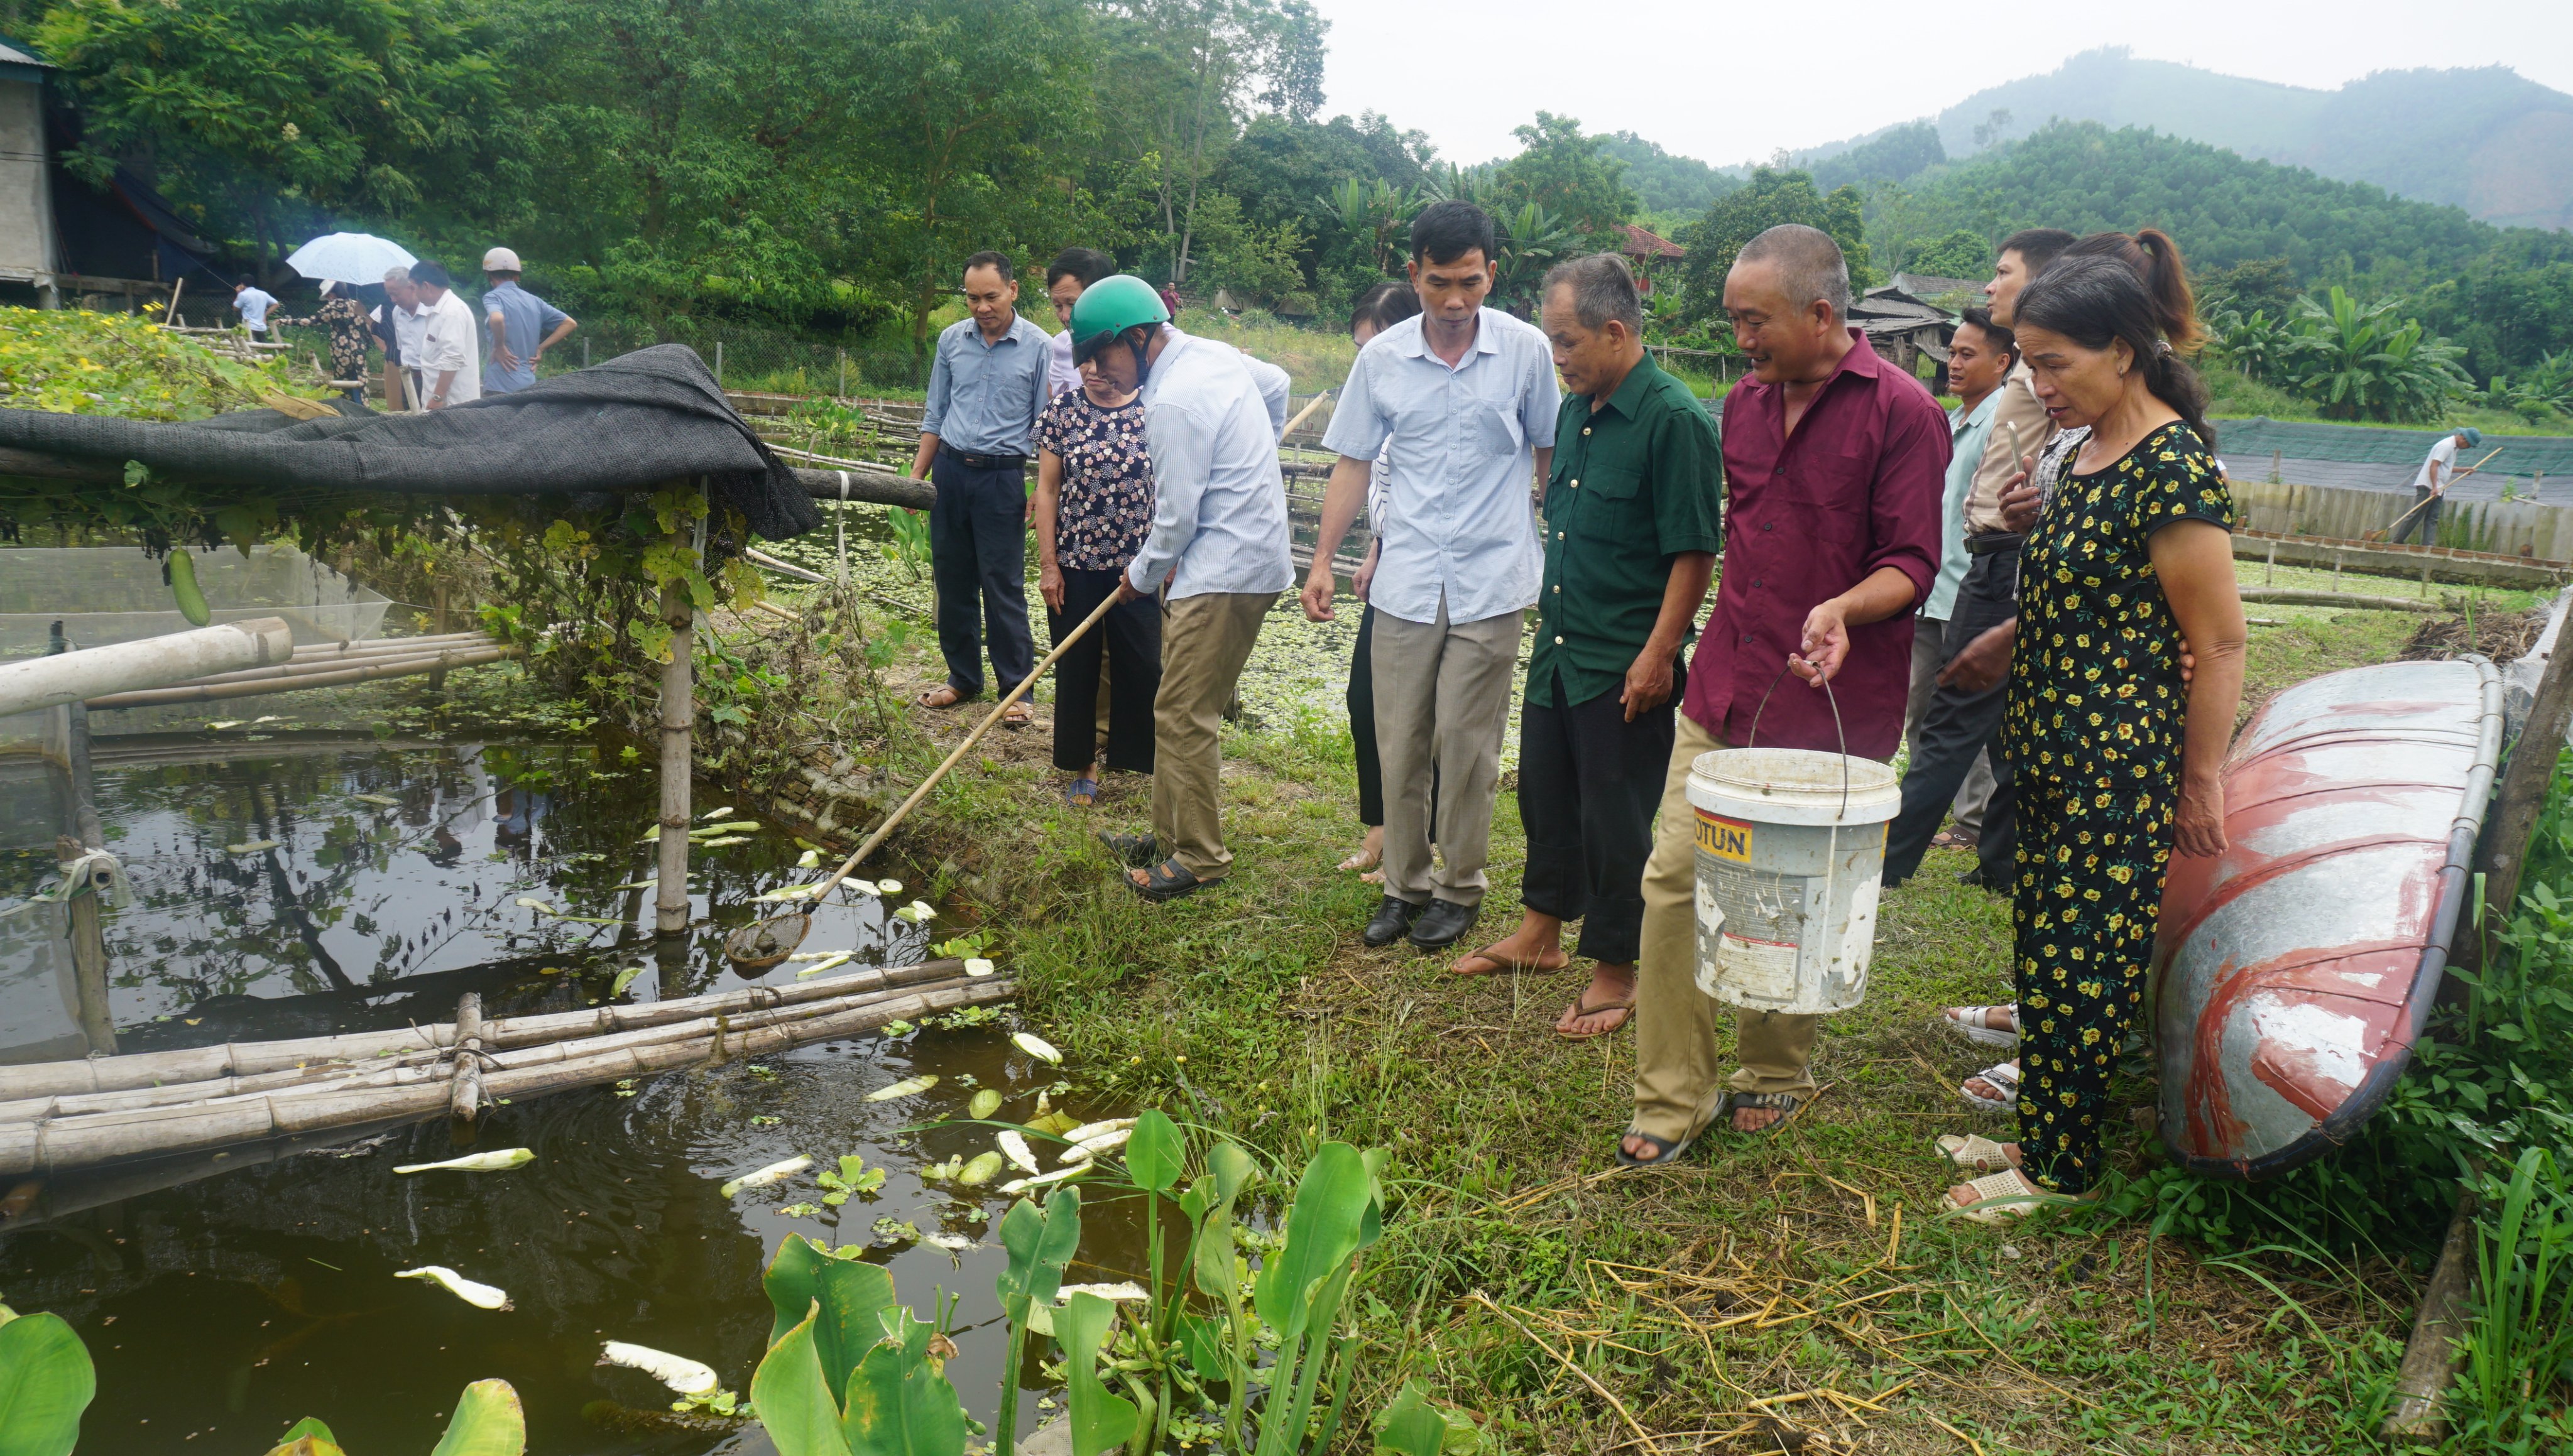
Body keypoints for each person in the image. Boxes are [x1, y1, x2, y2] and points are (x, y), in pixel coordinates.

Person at [1618, 224, 1945, 1164]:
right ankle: (1671, 1095)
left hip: (1828, 699)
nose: (1741, 339)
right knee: (1674, 878)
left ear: (1820, 312)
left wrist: (1843, 606)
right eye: (1731, 320)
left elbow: (1912, 563)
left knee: (1782, 892)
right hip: (1725, 685)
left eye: (1753, 319)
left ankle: (1772, 1069)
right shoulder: (1741, 407)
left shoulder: (1902, 412)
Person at [1934, 251, 2246, 1221]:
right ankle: (2044, 1130)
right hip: (2049, 743)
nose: (2037, 383)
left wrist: (2198, 782)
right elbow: (2094, 595)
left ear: (2121, 351)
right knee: (2044, 943)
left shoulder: (2169, 466)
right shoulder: (2084, 452)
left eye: (2054, 362)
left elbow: (2219, 639)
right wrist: (2006, 637)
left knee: (2086, 957)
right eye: (2026, 361)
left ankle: (2060, 1170)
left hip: (2117, 761)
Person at [1445, 254, 1720, 1043]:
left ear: (1614, 330)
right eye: (1551, 341)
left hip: (1625, 659)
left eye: (1567, 342)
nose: (1556, 357)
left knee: (1617, 814)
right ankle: (1540, 932)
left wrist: (1660, 653)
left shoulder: (1674, 421)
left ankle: (1615, 965)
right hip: (1562, 646)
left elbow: (1693, 552)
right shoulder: (1576, 411)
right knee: (1547, 794)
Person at [1304, 200, 1561, 953]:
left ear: (1493, 272)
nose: (1455, 301)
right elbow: (1353, 460)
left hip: (1493, 578)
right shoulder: (1380, 360)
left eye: (1472, 283)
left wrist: (1559, 553)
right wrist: (1324, 559)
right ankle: (1403, 883)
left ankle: (1459, 888)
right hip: (1408, 580)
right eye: (1440, 283)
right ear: (1412, 273)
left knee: (1467, 741)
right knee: (1401, 738)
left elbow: (1548, 456)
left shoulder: (1526, 352)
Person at [1070, 275, 1294, 901]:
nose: (1100, 373)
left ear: (1140, 337)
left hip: (1226, 569)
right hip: (1240, 559)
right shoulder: (1213, 354)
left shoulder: (1171, 402)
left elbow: (1176, 521)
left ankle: (1199, 855)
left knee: (1185, 711)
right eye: (1087, 361)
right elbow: (1275, 384)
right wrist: (1254, 461)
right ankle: (1169, 833)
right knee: (1174, 704)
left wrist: (1136, 578)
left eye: (1104, 356)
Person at [1884, 229, 2075, 905]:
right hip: (1998, 556)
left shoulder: (2049, 373)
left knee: (1951, 716)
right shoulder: (2027, 373)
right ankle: (1999, 860)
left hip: (2005, 561)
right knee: (2006, 724)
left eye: (2004, 273)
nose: (1991, 286)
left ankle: (1889, 859)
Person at [1884, 307, 2016, 883]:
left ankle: (1969, 822)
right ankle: (1931, 816)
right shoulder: (1947, 420)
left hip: (1971, 591)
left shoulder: (2001, 425)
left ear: (2003, 362)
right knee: (1922, 710)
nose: (1953, 365)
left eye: (1967, 355)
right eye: (1950, 354)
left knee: (1968, 718)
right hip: (1929, 590)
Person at [910, 251, 1052, 725]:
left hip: (1001, 478)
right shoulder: (952, 340)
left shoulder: (1039, 347)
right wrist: (915, 480)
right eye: (972, 298)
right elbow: (935, 413)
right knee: (951, 580)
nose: (981, 306)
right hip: (950, 472)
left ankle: (1016, 692)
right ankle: (962, 679)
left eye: (990, 296)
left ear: (1012, 290)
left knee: (1002, 583)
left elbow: (1047, 428)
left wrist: (1040, 486)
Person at [1034, 315, 1162, 806]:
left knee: (1142, 663)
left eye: (1099, 361)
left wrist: (1166, 559)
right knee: (1077, 665)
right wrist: (1049, 565)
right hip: (1076, 560)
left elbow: (1171, 487)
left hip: (1139, 564)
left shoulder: (1153, 409)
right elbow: (1047, 491)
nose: (1089, 371)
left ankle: (1136, 759)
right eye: (1080, 361)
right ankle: (1081, 765)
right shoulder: (1062, 412)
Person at [1335, 280, 1423, 883]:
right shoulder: (1376, 396)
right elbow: (1380, 486)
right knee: (1364, 699)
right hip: (1392, 562)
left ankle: (1417, 839)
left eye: (1375, 343)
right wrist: (1373, 549)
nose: (1367, 359)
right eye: (1359, 347)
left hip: (1435, 576)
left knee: (1420, 713)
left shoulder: (1434, 396)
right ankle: (1380, 829)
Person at [479, 247, 576, 395]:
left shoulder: (493, 297)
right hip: (527, 385)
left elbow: (497, 318)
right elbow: (570, 323)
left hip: (499, 385)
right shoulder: (535, 301)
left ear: (488, 274)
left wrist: (499, 346)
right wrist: (540, 348)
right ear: (517, 276)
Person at [276, 282, 375, 404]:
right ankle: (363, 407)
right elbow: (368, 329)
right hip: (359, 347)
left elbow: (312, 321)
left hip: (340, 348)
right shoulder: (357, 305)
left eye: (328, 296)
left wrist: (286, 321)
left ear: (332, 294)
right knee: (360, 378)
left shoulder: (333, 307)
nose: (328, 299)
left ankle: (349, 407)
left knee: (343, 381)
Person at [408, 262, 482, 410]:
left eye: (414, 288)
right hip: (440, 402)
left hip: (452, 404)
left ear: (426, 286)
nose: (414, 294)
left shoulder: (453, 311)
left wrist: (437, 397)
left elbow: (452, 358)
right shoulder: (437, 310)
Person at [1046, 247, 1117, 399]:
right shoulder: (1062, 345)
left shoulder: (1142, 337)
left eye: (1073, 304)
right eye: (1058, 306)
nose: (1065, 317)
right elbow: (1055, 396)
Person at [2393, 426, 2482, 545]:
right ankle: (2397, 541)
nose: (2468, 448)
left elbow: (2445, 468)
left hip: (2439, 488)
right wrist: (2434, 487)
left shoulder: (2454, 448)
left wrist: (2463, 470)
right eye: (2469, 446)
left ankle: (2428, 547)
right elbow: (2434, 466)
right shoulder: (2446, 446)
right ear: (2464, 440)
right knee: (2417, 515)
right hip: (2428, 486)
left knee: (2432, 518)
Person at [374, 266, 425, 411]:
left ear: (411, 287)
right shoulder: (397, 312)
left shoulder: (432, 311)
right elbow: (402, 347)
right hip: (408, 376)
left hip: (430, 376)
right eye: (389, 295)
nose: (393, 299)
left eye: (395, 294)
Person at [231, 276, 278, 340]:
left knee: (250, 348)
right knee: (262, 348)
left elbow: (235, 308)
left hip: (249, 328)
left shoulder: (243, 295)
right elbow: (276, 304)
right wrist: (265, 315)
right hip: (262, 327)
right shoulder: (263, 294)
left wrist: (238, 293)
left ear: (242, 284)